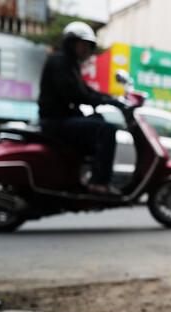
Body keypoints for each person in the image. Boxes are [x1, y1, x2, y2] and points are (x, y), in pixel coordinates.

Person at [38, 21, 122, 195]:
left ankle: (78, 175)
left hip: (61, 119)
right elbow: (74, 93)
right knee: (106, 130)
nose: (86, 50)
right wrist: (102, 101)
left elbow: (84, 89)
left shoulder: (70, 64)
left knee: (98, 121)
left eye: (88, 46)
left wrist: (108, 98)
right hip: (55, 121)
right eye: (83, 44)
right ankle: (99, 183)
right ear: (71, 43)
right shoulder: (60, 61)